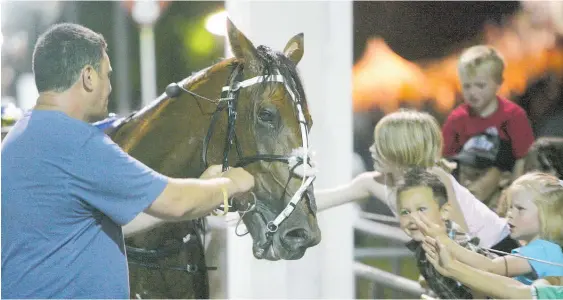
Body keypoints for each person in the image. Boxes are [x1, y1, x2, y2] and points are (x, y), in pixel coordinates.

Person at [1, 23, 255, 299]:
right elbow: (176, 202)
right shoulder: (78, 143)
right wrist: (232, 182)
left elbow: (108, 219)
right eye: (106, 75)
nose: (109, 86)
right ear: (88, 76)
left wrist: (204, 186)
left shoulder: (21, 135)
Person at [314, 109, 512, 252]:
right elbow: (319, 200)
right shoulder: (370, 183)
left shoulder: (435, 179)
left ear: (402, 149)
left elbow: (464, 239)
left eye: (381, 145)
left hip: (498, 250)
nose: (371, 149)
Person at [413, 172, 563, 285]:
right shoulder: (541, 248)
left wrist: (445, 240)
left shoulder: (543, 250)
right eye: (510, 207)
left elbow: (491, 268)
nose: (510, 214)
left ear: (546, 215)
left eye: (520, 209)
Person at [396, 167, 494, 299]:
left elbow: (485, 284)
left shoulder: (458, 246)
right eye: (405, 212)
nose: (413, 218)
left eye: (421, 209)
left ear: (444, 211)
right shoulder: (421, 247)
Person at [442, 45, 535, 182]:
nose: (473, 93)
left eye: (480, 85)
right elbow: (446, 159)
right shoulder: (456, 119)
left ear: (499, 83)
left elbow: (523, 158)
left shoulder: (513, 116)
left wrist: (513, 191)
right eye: (467, 86)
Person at [423, 238, 563, 299]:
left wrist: (453, 266)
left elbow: (492, 269)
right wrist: (453, 267)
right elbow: (515, 291)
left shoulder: (546, 250)